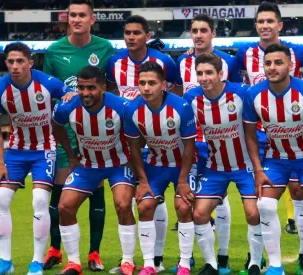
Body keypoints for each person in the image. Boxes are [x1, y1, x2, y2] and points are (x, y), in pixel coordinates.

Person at [0, 42, 74, 275]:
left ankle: (36, 262)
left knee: (40, 202)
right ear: (6, 64)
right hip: (15, 152)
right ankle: (6, 262)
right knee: (0, 200)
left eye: (20, 61)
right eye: (11, 62)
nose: (15, 66)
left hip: (44, 150)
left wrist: (70, 95)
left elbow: (70, 96)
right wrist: (0, 163)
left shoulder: (47, 83)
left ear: (30, 63)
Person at [235, 3, 303, 274]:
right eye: (260, 21)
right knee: (260, 204)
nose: (265, 25)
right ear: (255, 25)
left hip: (297, 129)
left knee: (301, 194)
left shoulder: (302, 52)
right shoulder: (244, 52)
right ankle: (257, 259)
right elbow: (231, 80)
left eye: (270, 21)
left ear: (280, 25)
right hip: (261, 135)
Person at [42, 0, 116, 271]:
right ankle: (55, 248)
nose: (76, 19)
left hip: (96, 132)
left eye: (82, 15)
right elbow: (47, 91)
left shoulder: (105, 49)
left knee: (96, 189)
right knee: (60, 193)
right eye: (72, 15)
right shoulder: (54, 50)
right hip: (65, 132)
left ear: (92, 19)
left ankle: (94, 253)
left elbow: (114, 86)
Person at [243, 44, 303, 275]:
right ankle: (276, 266)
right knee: (265, 205)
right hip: (275, 158)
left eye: (278, 62)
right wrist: (258, 170)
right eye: (268, 63)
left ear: (290, 65)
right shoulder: (253, 94)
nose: (272, 67)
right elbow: (249, 135)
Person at [106, 15, 180, 273]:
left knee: (153, 200)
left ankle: (156, 259)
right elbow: (110, 94)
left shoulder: (165, 62)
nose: (131, 37)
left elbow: (177, 95)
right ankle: (128, 258)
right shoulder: (114, 62)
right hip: (127, 140)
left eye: (136, 32)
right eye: (127, 32)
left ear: (147, 35)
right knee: (131, 200)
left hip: (161, 140)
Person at [183, 53, 264, 275]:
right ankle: (211, 264)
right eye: (199, 73)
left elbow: (264, 99)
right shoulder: (191, 98)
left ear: (221, 74)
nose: (204, 77)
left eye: (209, 72)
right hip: (215, 167)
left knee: (253, 213)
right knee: (199, 214)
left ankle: (256, 262)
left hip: (244, 165)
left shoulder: (241, 93)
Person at [175, 14, 243, 275]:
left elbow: (236, 90)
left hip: (221, 141)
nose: (199, 35)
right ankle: (189, 257)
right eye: (194, 30)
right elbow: (178, 97)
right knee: (190, 202)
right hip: (194, 142)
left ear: (213, 33)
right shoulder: (180, 61)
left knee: (220, 198)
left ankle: (223, 257)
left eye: (204, 30)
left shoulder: (229, 60)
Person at [52, 66, 136, 275]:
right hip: (87, 165)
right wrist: (71, 155)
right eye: (81, 87)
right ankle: (73, 263)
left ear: (103, 88)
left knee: (123, 204)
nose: (85, 93)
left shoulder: (122, 106)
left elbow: (137, 133)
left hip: (119, 164)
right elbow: (56, 126)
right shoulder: (67, 108)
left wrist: (134, 163)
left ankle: (127, 261)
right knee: (65, 207)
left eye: (91, 88)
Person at [124, 61, 197, 275]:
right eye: (142, 83)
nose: (146, 88)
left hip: (183, 166)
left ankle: (184, 264)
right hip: (155, 165)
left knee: (183, 207)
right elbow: (135, 147)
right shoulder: (132, 109)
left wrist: (182, 182)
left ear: (163, 85)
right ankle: (149, 265)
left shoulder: (181, 106)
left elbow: (189, 147)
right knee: (144, 206)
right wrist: (143, 181)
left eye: (152, 83)